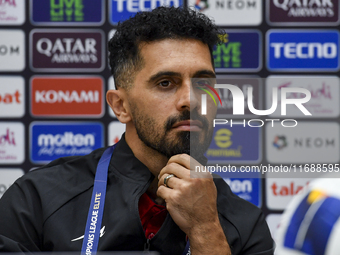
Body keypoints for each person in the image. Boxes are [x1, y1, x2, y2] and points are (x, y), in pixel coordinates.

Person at [0, 7, 274, 255]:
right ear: (121, 106)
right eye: (166, 83)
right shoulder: (37, 200)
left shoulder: (245, 224)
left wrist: (206, 230)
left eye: (203, 82)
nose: (190, 100)